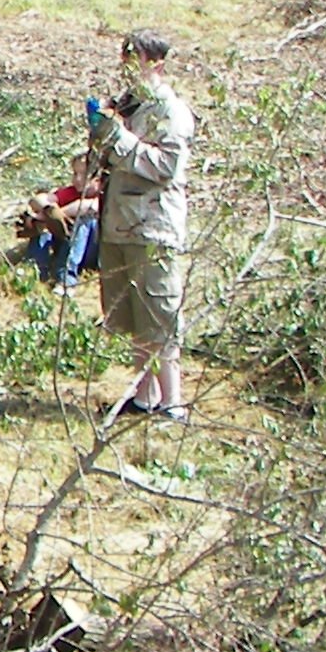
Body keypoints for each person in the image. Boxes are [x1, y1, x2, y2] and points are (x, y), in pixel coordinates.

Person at [93, 28, 195, 420]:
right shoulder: (127, 106)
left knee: (160, 316)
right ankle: (143, 398)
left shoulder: (170, 111)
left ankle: (173, 404)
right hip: (118, 224)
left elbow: (166, 167)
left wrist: (117, 138)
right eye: (124, 55)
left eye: (135, 56)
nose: (127, 63)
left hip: (153, 229)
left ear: (157, 63)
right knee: (133, 318)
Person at [12, 150, 103, 289]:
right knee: (42, 224)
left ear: (97, 178)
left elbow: (88, 207)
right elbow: (38, 200)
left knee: (83, 220)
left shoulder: (102, 196)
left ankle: (66, 279)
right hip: (65, 244)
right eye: (75, 174)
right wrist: (46, 212)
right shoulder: (71, 192)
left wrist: (56, 214)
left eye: (83, 175)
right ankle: (33, 269)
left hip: (91, 250)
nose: (77, 179)